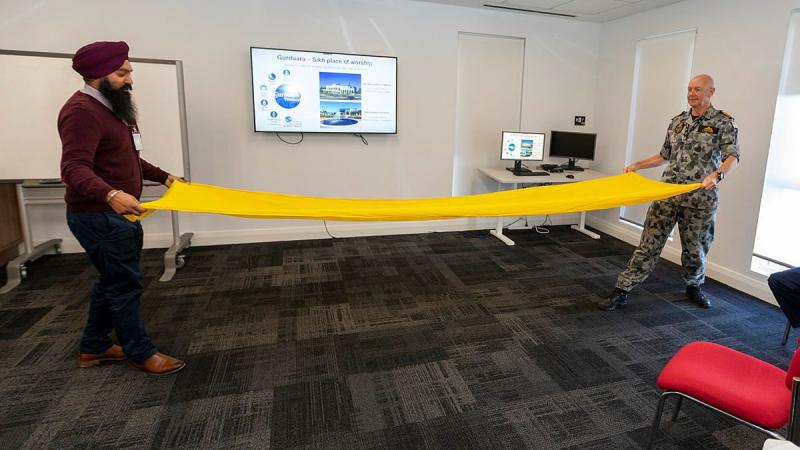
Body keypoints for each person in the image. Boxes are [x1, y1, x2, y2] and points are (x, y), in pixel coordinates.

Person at [59, 41, 185, 375]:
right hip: (99, 216)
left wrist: (165, 177)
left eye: (129, 71)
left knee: (113, 279)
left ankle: (94, 346)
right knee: (125, 284)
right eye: (122, 72)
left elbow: (128, 158)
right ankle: (140, 351)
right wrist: (112, 194)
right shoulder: (81, 112)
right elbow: (74, 169)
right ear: (99, 75)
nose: (130, 79)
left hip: (115, 214)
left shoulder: (113, 107)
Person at [599, 74, 739, 311]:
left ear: (710, 92)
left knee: (696, 248)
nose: (692, 94)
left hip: (700, 198)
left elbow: (733, 157)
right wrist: (638, 165)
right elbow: (664, 155)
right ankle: (622, 290)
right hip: (667, 194)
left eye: (697, 89)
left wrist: (717, 176)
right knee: (649, 244)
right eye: (689, 89)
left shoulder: (723, 122)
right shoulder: (678, 122)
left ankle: (694, 287)